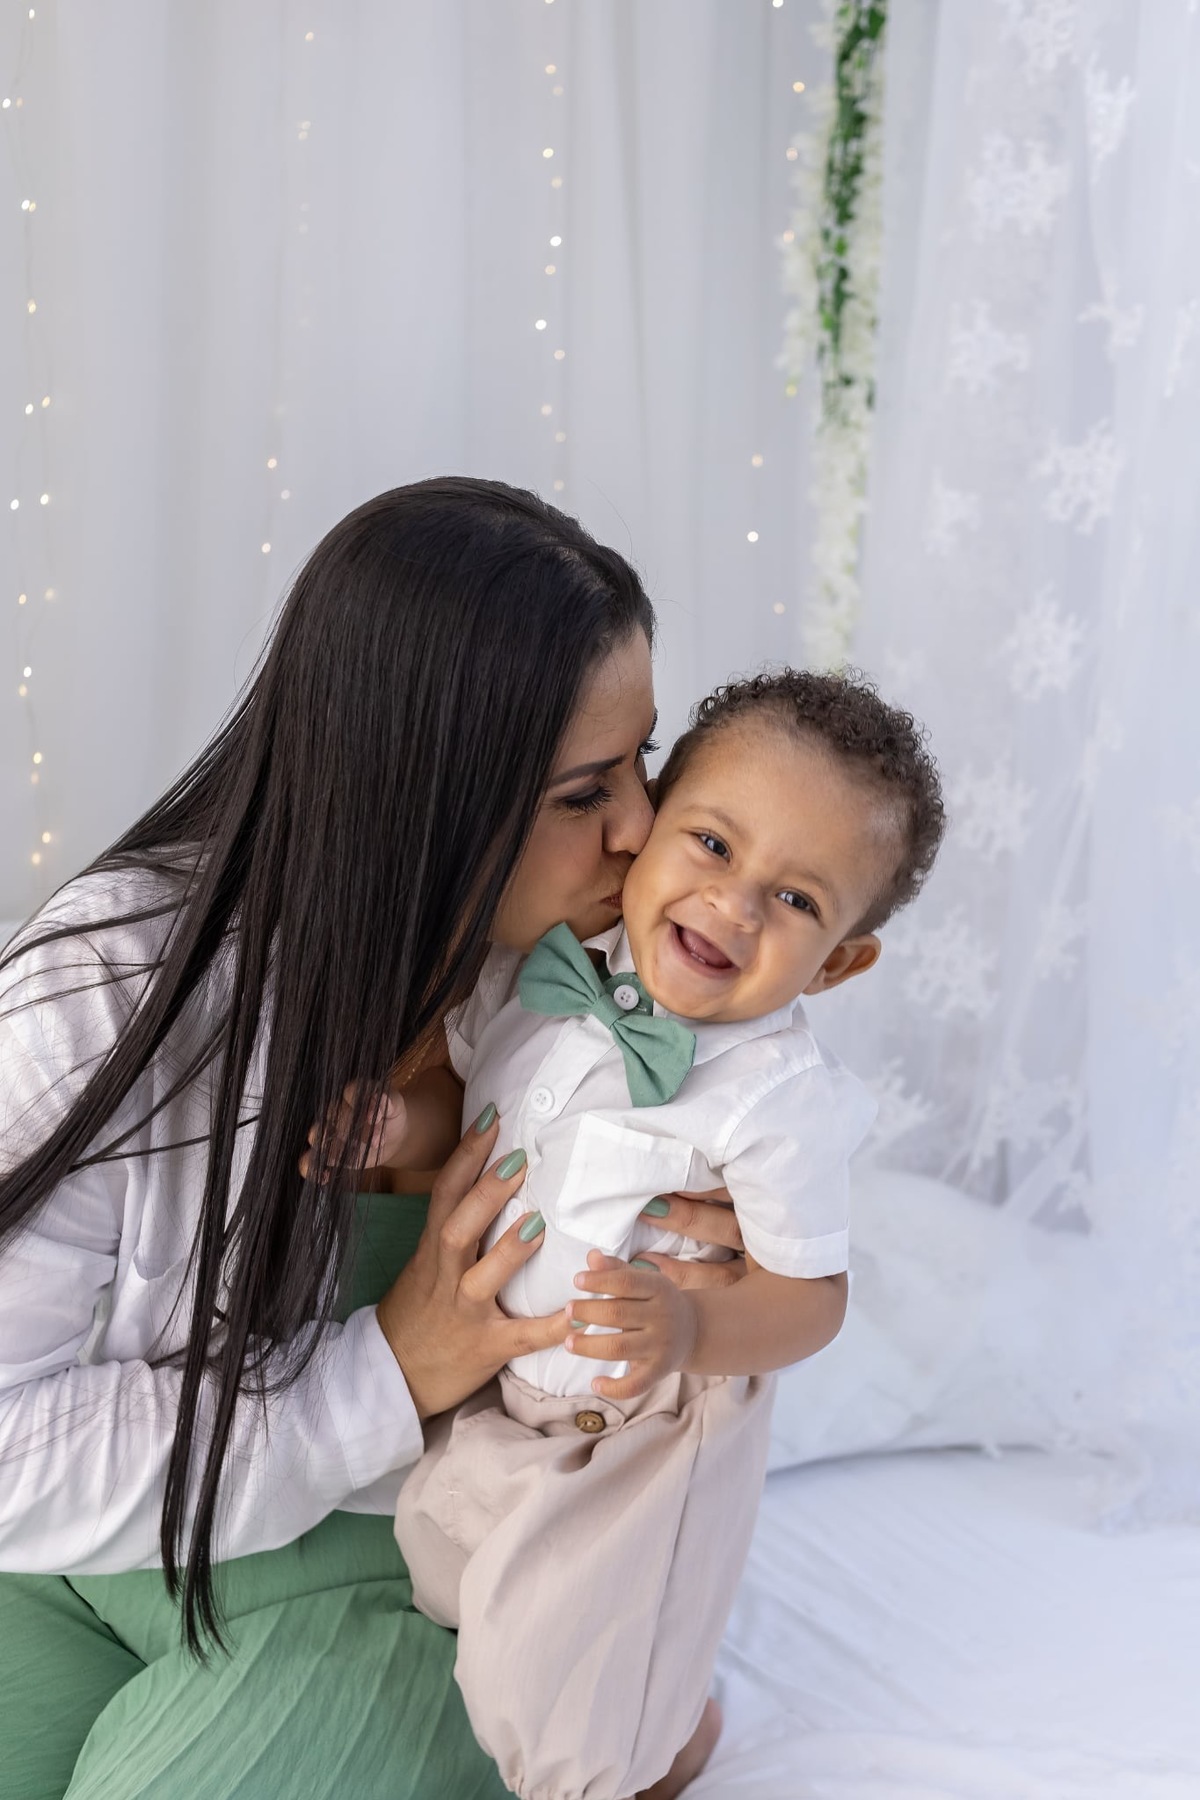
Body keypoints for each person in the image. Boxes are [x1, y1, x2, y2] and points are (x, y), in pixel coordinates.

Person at [0, 478, 745, 1800]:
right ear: (426, 797)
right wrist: (391, 1367)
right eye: (586, 791)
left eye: (642, 762)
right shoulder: (110, 985)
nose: (641, 830)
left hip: (424, 1570)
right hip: (105, 1546)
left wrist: (716, 1264)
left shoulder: (624, 994)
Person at [362, 669, 945, 1800]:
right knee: (453, 1584)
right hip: (497, 1394)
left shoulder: (777, 1099)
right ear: (649, 828)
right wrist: (396, 1122)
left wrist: (687, 1326)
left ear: (839, 962)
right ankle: (673, 1730)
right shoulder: (544, 972)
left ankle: (639, 1762)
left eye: (796, 900)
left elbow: (812, 1300)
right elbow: (461, 1100)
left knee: (567, 1705)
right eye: (714, 845)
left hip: (645, 1427)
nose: (734, 906)